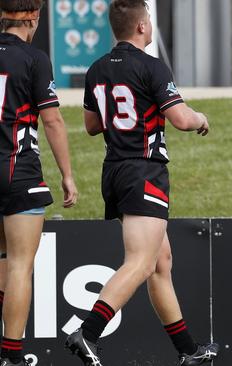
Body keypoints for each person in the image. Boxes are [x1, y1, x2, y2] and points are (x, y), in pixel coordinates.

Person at [63, 1, 217, 365]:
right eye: (148, 19)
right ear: (143, 27)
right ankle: (87, 333)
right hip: (143, 171)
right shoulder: (152, 66)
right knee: (140, 261)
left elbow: (90, 126)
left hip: (114, 171)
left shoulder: (97, 68)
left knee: (160, 261)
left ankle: (188, 351)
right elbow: (179, 119)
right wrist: (201, 118)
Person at [0, 1, 79, 365]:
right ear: (32, 18)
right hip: (19, 173)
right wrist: (66, 175)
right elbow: (52, 122)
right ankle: (11, 357)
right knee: (19, 265)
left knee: (3, 260)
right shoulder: (34, 58)